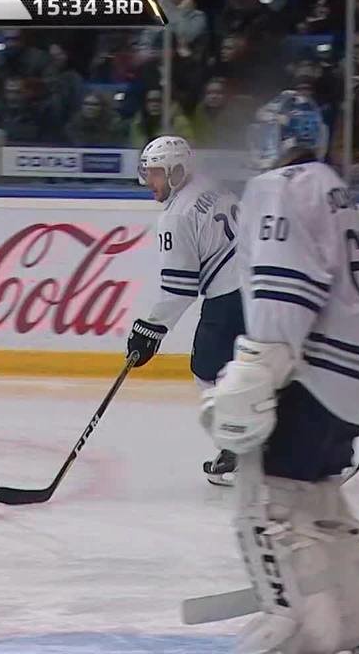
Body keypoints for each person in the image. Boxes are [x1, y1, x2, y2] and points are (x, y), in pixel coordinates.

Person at [200, 91, 359, 653]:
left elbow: (285, 288)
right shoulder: (331, 186)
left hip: (309, 377)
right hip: (350, 385)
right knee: (318, 503)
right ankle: (354, 619)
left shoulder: (280, 186)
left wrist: (256, 370)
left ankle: (295, 627)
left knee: (267, 506)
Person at [125, 135, 245, 486]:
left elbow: (179, 289)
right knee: (261, 370)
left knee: (207, 369)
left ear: (177, 172)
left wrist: (149, 330)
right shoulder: (211, 185)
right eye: (148, 172)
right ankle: (312, 454)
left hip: (231, 295)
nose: (149, 181)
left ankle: (239, 452)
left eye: (156, 173)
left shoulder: (176, 216)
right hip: (262, 284)